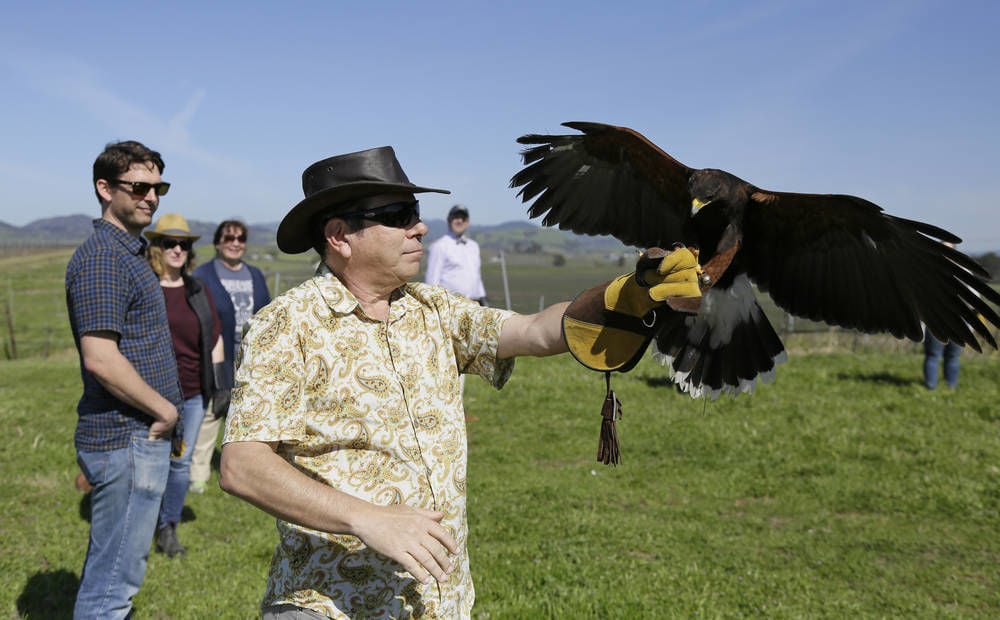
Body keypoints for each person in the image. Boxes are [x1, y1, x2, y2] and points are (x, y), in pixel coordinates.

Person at [217, 146, 702, 619]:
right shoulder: (287, 323)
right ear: (340, 235)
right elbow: (243, 465)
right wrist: (366, 518)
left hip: (438, 602)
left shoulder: (433, 309)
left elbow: (533, 331)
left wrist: (629, 294)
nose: (420, 226)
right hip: (330, 601)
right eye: (397, 214)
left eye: (416, 211)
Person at [66, 140, 182, 619]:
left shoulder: (131, 253)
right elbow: (101, 358)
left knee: (119, 571)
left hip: (135, 436)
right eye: (139, 187)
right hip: (126, 436)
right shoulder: (102, 259)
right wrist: (165, 411)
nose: (151, 197)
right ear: (104, 188)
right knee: (113, 583)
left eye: (159, 187)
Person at [144, 213, 224, 556]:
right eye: (169, 242)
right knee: (148, 462)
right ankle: (138, 524)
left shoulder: (196, 289)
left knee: (179, 462)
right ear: (156, 247)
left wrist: (220, 385)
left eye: (184, 244)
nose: (177, 249)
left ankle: (167, 528)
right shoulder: (144, 286)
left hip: (192, 394)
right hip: (149, 394)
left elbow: (214, 337)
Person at [189, 220, 271, 493]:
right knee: (212, 414)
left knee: (246, 418)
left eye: (241, 238)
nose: (235, 243)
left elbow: (266, 315)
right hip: (216, 356)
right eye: (229, 238)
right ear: (217, 243)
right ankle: (198, 473)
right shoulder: (203, 276)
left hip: (251, 359)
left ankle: (243, 473)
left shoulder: (256, 275)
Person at [425, 204, 488, 305]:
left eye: (463, 218)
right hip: (452, 306)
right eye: (456, 217)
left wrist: (483, 298)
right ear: (449, 220)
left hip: (476, 304)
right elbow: (432, 280)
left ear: (468, 222)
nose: (459, 221)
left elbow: (477, 276)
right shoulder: (439, 246)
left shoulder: (474, 246)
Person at [923, 326, 962, 390]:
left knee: (932, 356)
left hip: (935, 323)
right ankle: (951, 386)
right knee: (953, 357)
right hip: (957, 325)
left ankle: (930, 386)